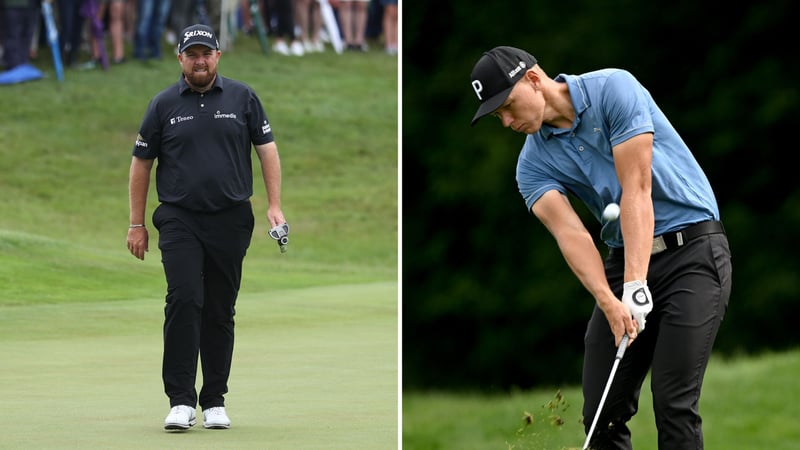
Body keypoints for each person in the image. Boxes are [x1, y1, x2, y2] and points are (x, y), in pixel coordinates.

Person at [469, 46, 732, 449]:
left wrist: (636, 283)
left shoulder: (613, 89)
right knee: (601, 417)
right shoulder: (531, 166)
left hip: (693, 251)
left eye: (506, 106)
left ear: (534, 79)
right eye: (496, 116)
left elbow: (637, 189)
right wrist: (610, 301)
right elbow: (570, 234)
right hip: (623, 260)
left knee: (674, 403)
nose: (505, 121)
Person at [126, 23, 286, 431]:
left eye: (206, 53)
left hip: (231, 218)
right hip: (179, 217)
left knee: (219, 308)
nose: (200, 60)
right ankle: (180, 400)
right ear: (180, 58)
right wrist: (136, 223)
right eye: (192, 54)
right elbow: (141, 164)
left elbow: (266, 150)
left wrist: (275, 207)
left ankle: (214, 400)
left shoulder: (243, 97)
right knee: (183, 298)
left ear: (218, 56)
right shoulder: (163, 105)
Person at [0, 0, 43, 85]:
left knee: (27, 35)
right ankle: (13, 67)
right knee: (12, 34)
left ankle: (22, 66)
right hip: (11, 4)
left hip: (31, 5)